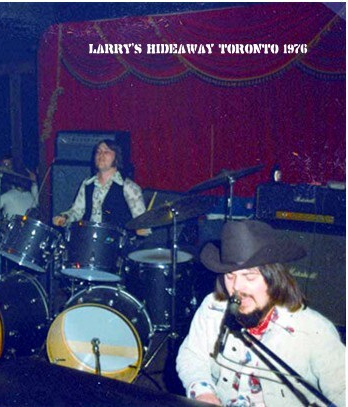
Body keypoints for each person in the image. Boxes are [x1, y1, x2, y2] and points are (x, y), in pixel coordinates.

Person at [176, 220, 345, 406]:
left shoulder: (314, 330)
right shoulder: (212, 308)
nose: (237, 287)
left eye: (249, 277)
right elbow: (192, 355)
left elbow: (343, 392)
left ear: (274, 279)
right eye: (230, 276)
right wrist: (203, 393)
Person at [52, 139, 147, 231]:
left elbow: (142, 221)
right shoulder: (87, 184)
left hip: (116, 240)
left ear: (116, 157)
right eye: (98, 152)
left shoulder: (129, 187)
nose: (101, 155)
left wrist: (142, 229)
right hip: (88, 237)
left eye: (106, 152)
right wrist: (65, 218)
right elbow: (77, 211)